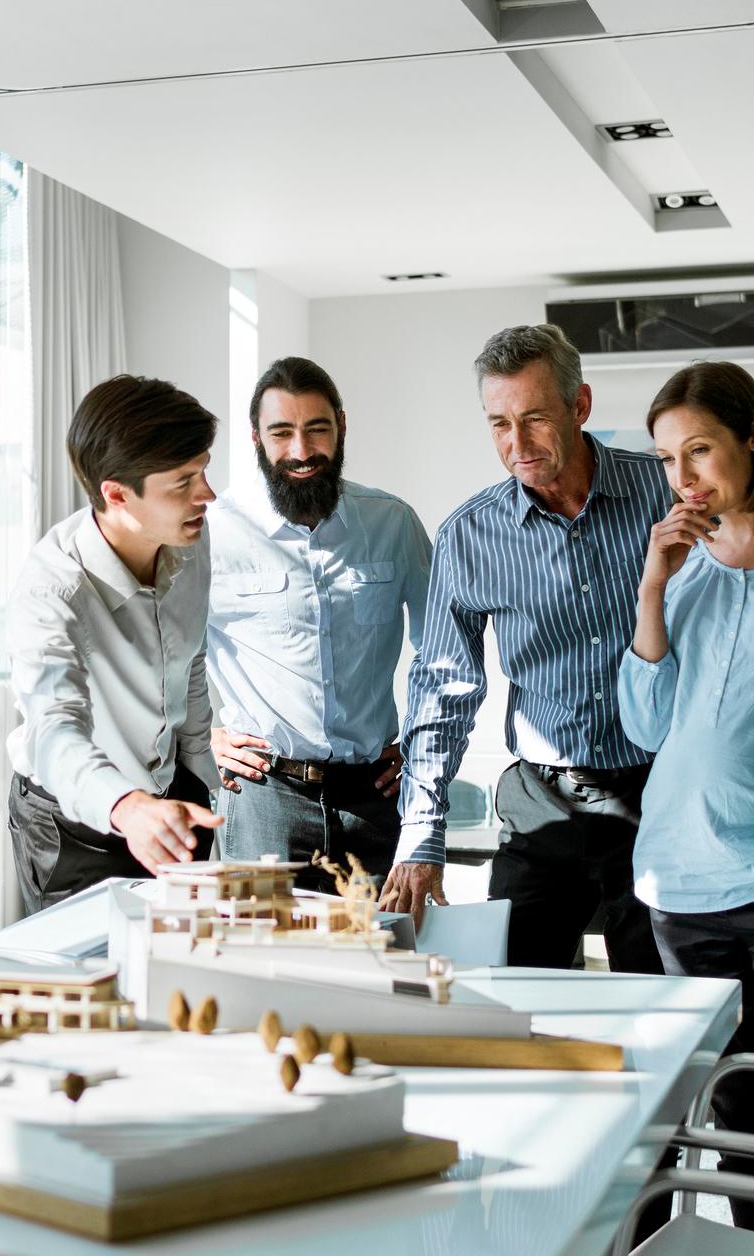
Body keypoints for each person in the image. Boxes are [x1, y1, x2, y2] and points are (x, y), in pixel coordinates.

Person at [381, 323, 668, 979]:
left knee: (664, 1005)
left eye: (534, 418)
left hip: (660, 795)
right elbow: (443, 691)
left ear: (580, 406)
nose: (517, 444)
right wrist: (421, 832)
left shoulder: (661, 492)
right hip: (544, 804)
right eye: (499, 424)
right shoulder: (471, 534)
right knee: (514, 1002)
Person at [206, 357, 432, 890]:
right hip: (264, 795)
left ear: (343, 426)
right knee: (267, 962)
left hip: (373, 796)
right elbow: (168, 653)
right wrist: (202, 739)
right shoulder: (216, 530)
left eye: (317, 429)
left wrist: (421, 745)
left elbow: (441, 649)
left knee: (381, 958)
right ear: (256, 438)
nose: (301, 452)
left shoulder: (392, 522)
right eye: (281, 432)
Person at [5, 374, 224, 914]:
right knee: (93, 985)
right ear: (117, 493)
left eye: (204, 472)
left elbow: (189, 663)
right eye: (184, 482)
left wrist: (204, 784)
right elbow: (53, 732)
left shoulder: (190, 538)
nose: (207, 496)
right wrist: (128, 807)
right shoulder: (51, 588)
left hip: (172, 796)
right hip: (72, 822)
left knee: (181, 974)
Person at [619, 360, 754, 1226]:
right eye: (669, 460)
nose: (684, 478)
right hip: (678, 883)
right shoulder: (692, 571)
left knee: (753, 1113)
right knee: (705, 1110)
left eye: (699, 449)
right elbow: (643, 723)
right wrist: (653, 587)